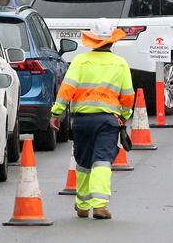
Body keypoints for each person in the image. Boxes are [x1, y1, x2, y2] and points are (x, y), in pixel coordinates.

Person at [49, 18, 135, 220]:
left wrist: (56, 113)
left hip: (82, 121)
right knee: (102, 161)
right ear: (112, 41)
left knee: (83, 162)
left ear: (92, 40)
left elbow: (66, 89)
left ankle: (82, 204)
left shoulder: (80, 61)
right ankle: (100, 206)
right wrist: (124, 115)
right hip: (107, 121)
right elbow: (128, 96)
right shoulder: (120, 64)